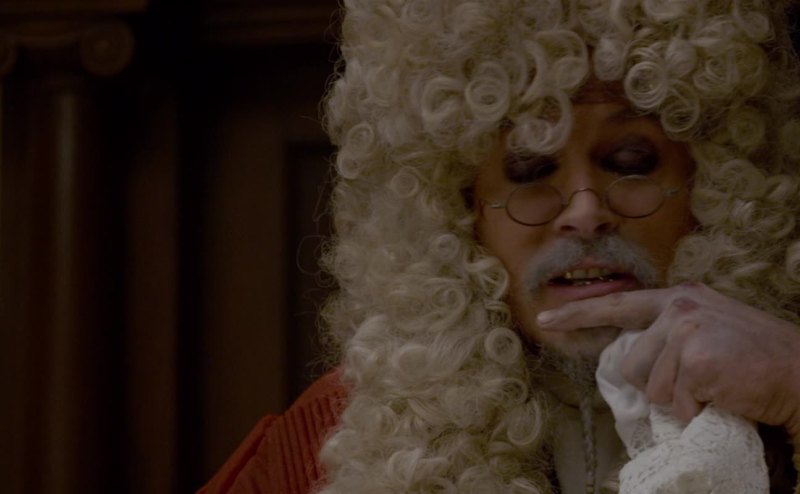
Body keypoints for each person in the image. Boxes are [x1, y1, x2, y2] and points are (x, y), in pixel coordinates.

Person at [200, 0, 800, 492]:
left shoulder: (787, 377)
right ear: (461, 211)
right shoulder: (327, 443)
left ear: (711, 186)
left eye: (630, 161)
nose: (585, 212)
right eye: (530, 169)